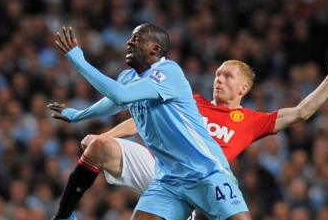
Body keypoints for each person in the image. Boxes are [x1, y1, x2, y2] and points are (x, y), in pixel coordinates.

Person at [49, 40, 328, 219]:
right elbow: (140, 119)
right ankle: (64, 215)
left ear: (244, 87)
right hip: (164, 172)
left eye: (226, 76)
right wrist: (105, 136)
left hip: (206, 180)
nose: (218, 79)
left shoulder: (251, 121)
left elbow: (302, 112)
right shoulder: (190, 101)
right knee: (100, 149)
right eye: (217, 74)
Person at [52, 24, 251, 220]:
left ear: (155, 48)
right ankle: (64, 216)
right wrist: (78, 115)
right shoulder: (129, 77)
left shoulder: (169, 72)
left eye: (137, 39)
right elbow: (112, 102)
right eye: (130, 38)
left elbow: (120, 96)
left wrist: (79, 62)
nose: (129, 42)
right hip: (168, 180)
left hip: (206, 172)